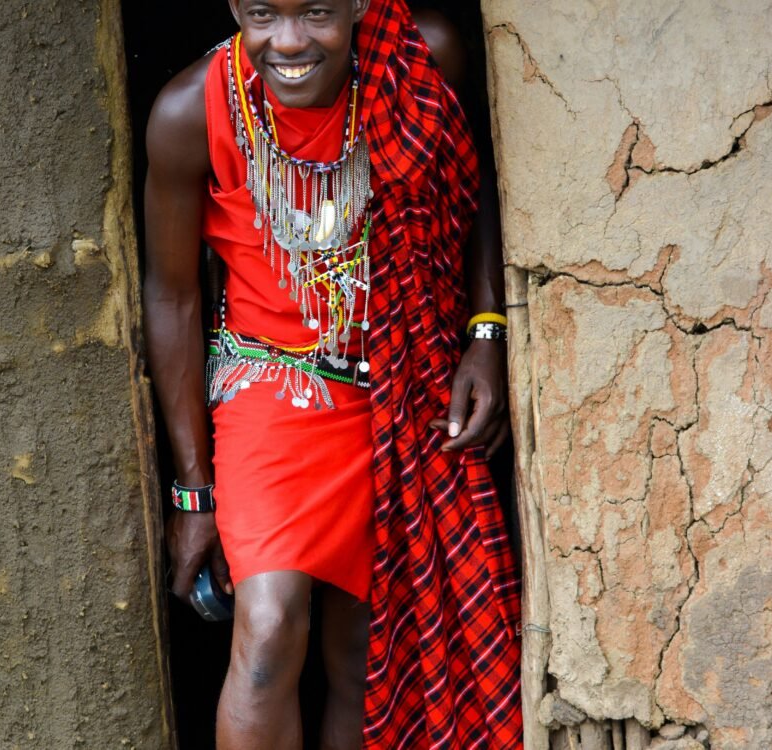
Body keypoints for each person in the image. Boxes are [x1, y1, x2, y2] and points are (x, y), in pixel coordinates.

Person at [142, 1, 522, 747]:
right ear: (232, 8)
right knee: (270, 626)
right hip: (271, 391)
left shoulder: (420, 57)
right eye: (263, 13)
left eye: (316, 11)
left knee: (367, 654)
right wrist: (193, 489)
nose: (288, 42)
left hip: (398, 387)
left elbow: (472, 193)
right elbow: (172, 294)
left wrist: (486, 334)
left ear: (356, 3)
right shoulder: (192, 111)